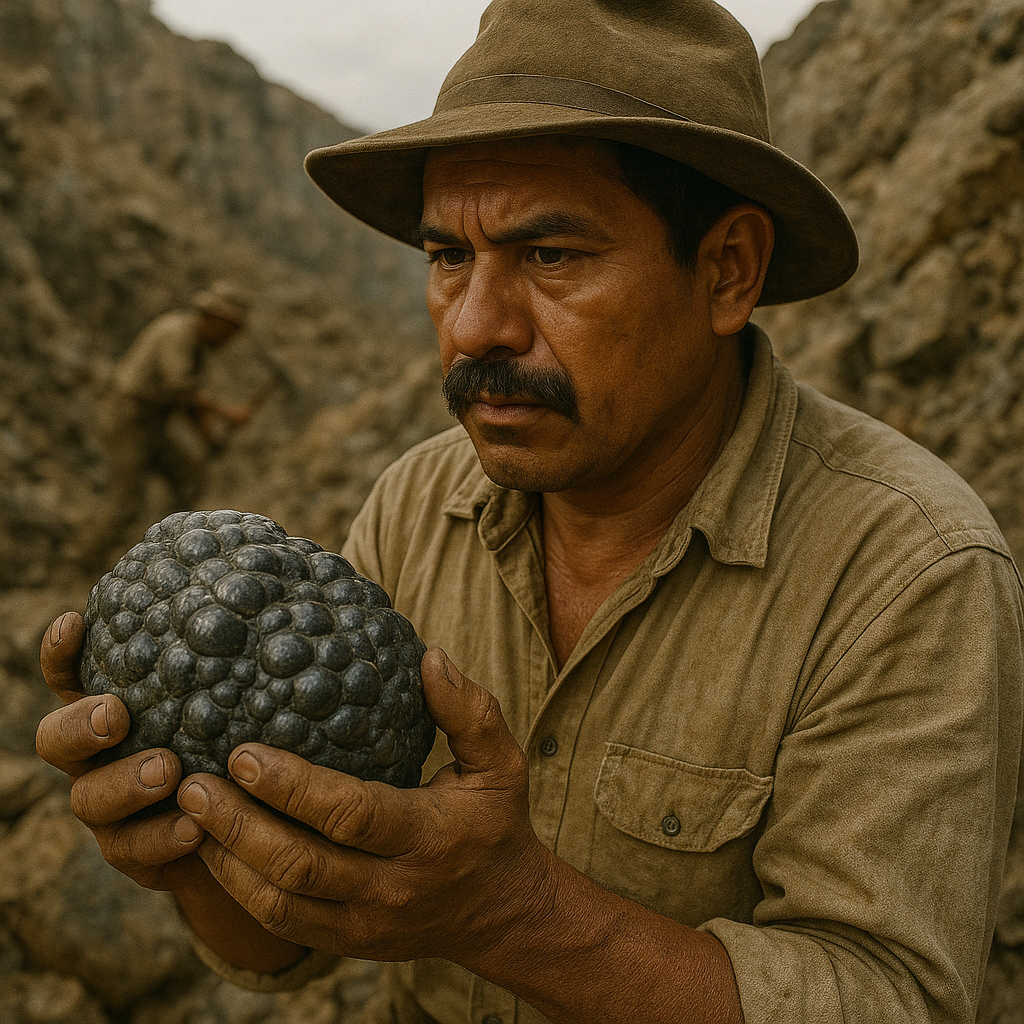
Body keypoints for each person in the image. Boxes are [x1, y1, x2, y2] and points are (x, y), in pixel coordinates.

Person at [36, 2, 1023, 1022]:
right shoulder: (419, 504)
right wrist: (190, 839)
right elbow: (292, 937)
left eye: (551, 256)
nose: (473, 326)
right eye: (447, 257)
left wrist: (506, 915)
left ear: (727, 268)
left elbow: (889, 999)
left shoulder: (907, 570)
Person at [94, 280, 253, 548]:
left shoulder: (195, 345)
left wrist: (209, 439)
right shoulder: (176, 334)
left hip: (153, 422)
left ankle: (170, 544)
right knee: (125, 496)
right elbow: (180, 388)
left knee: (187, 476)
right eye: (232, 329)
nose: (232, 338)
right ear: (217, 318)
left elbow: (187, 404)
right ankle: (86, 558)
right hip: (129, 419)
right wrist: (226, 414)